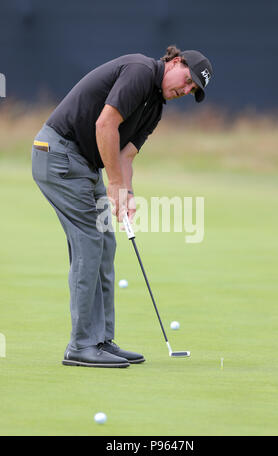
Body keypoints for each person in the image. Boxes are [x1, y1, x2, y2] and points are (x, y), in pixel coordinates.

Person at [31, 45, 213, 368]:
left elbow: (126, 154)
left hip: (82, 163)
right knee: (89, 239)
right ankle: (81, 345)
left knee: (106, 242)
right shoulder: (141, 72)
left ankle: (101, 340)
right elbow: (105, 125)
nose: (184, 90)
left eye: (191, 90)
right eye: (187, 80)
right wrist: (113, 184)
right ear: (176, 61)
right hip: (57, 153)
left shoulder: (155, 107)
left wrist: (126, 194)